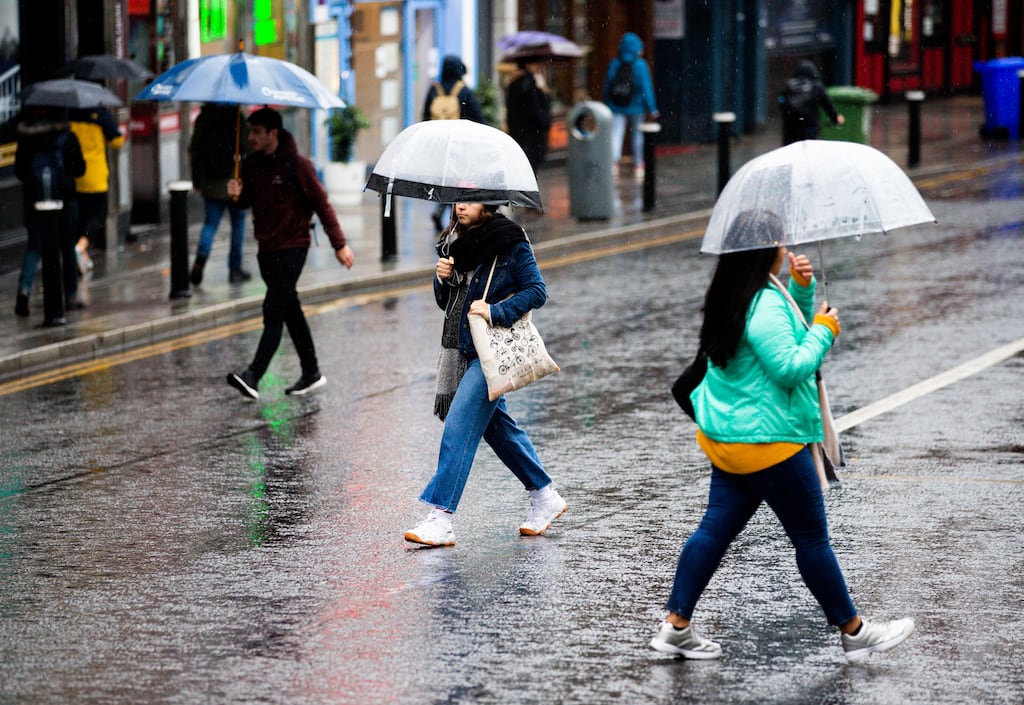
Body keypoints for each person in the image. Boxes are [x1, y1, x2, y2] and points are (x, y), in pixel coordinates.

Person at [649, 209, 914, 662]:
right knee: (811, 539)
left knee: (713, 531)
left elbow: (771, 341)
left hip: (731, 441)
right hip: (771, 444)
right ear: (763, 251)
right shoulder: (763, 302)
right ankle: (854, 630)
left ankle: (676, 626)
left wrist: (802, 290)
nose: (786, 250)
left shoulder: (734, 292)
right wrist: (825, 331)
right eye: (780, 244)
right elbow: (790, 366)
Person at [404, 202, 566, 547]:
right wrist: (441, 279)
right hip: (460, 349)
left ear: (488, 203)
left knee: (459, 426)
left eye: (471, 198)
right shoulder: (453, 241)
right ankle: (544, 496)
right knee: (499, 430)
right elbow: (448, 303)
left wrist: (496, 311)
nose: (461, 205)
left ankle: (441, 517)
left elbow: (537, 291)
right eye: (458, 198)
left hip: (489, 351)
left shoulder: (509, 239)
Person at [225, 107, 355, 400]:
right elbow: (245, 202)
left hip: (294, 247)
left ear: (273, 133)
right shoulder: (251, 164)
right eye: (249, 132)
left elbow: (323, 205)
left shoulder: (298, 165)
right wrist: (235, 195)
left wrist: (340, 244)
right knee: (290, 309)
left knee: (274, 310)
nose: (251, 137)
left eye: (257, 132)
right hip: (266, 249)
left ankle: (253, 375)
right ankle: (311, 372)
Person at [13, 106, 87, 317]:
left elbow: (20, 171)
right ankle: (70, 296)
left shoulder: (26, 137)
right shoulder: (67, 136)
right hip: (64, 199)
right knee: (67, 246)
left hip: (35, 201)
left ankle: (24, 291)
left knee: (34, 246)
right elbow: (79, 169)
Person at [421, 56, 487, 231]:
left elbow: (425, 118)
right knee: (458, 181)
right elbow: (479, 119)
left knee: (447, 180)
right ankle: (449, 213)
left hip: (439, 144)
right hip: (461, 145)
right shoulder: (464, 92)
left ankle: (443, 210)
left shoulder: (434, 90)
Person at [188, 103, 251, 286]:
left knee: (210, 224)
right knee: (238, 224)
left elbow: (194, 151)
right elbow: (249, 147)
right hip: (233, 182)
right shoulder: (236, 117)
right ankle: (234, 268)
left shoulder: (204, 117)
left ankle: (201, 260)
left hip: (210, 182)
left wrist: (197, 181)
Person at [68, 106, 124, 270]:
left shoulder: (70, 113)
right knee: (96, 217)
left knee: (80, 218)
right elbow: (116, 141)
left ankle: (82, 257)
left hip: (76, 176)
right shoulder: (101, 115)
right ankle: (79, 248)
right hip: (95, 177)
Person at [603, 32, 659, 182]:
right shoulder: (640, 65)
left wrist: (608, 102)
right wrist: (652, 108)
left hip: (616, 106)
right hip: (637, 107)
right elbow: (647, 88)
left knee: (616, 135)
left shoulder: (614, 64)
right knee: (638, 136)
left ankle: (613, 164)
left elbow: (607, 86)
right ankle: (638, 164)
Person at [780, 60, 844, 145]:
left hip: (791, 131)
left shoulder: (788, 86)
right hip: (809, 129)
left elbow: (781, 102)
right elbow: (828, 106)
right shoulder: (817, 87)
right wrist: (836, 118)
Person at [505, 60, 552, 175]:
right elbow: (538, 112)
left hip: (518, 135)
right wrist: (545, 93)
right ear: (528, 64)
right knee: (531, 169)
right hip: (532, 136)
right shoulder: (531, 84)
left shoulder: (513, 83)